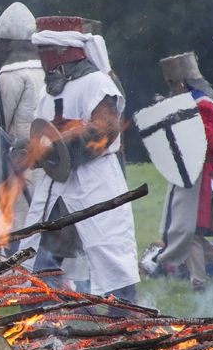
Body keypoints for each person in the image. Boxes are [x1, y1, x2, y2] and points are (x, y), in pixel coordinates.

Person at [21, 16, 139, 301]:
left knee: (110, 257)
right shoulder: (46, 93)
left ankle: (128, 319)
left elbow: (104, 130)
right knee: (41, 253)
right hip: (56, 187)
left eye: (44, 50)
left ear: (62, 52)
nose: (41, 58)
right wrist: (32, 151)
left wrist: (59, 147)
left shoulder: (97, 83)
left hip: (94, 182)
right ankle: (46, 317)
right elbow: (43, 136)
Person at [148, 52, 213, 292]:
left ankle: (199, 284)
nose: (171, 88)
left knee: (187, 232)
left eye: (173, 83)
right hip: (188, 175)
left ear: (182, 82)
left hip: (202, 175)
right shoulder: (189, 103)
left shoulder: (203, 105)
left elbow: (204, 144)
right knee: (184, 232)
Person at [0, 2, 46, 230]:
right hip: (49, 164)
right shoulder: (49, 70)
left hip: (21, 166)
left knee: (18, 232)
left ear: (5, 43)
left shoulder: (11, 74)